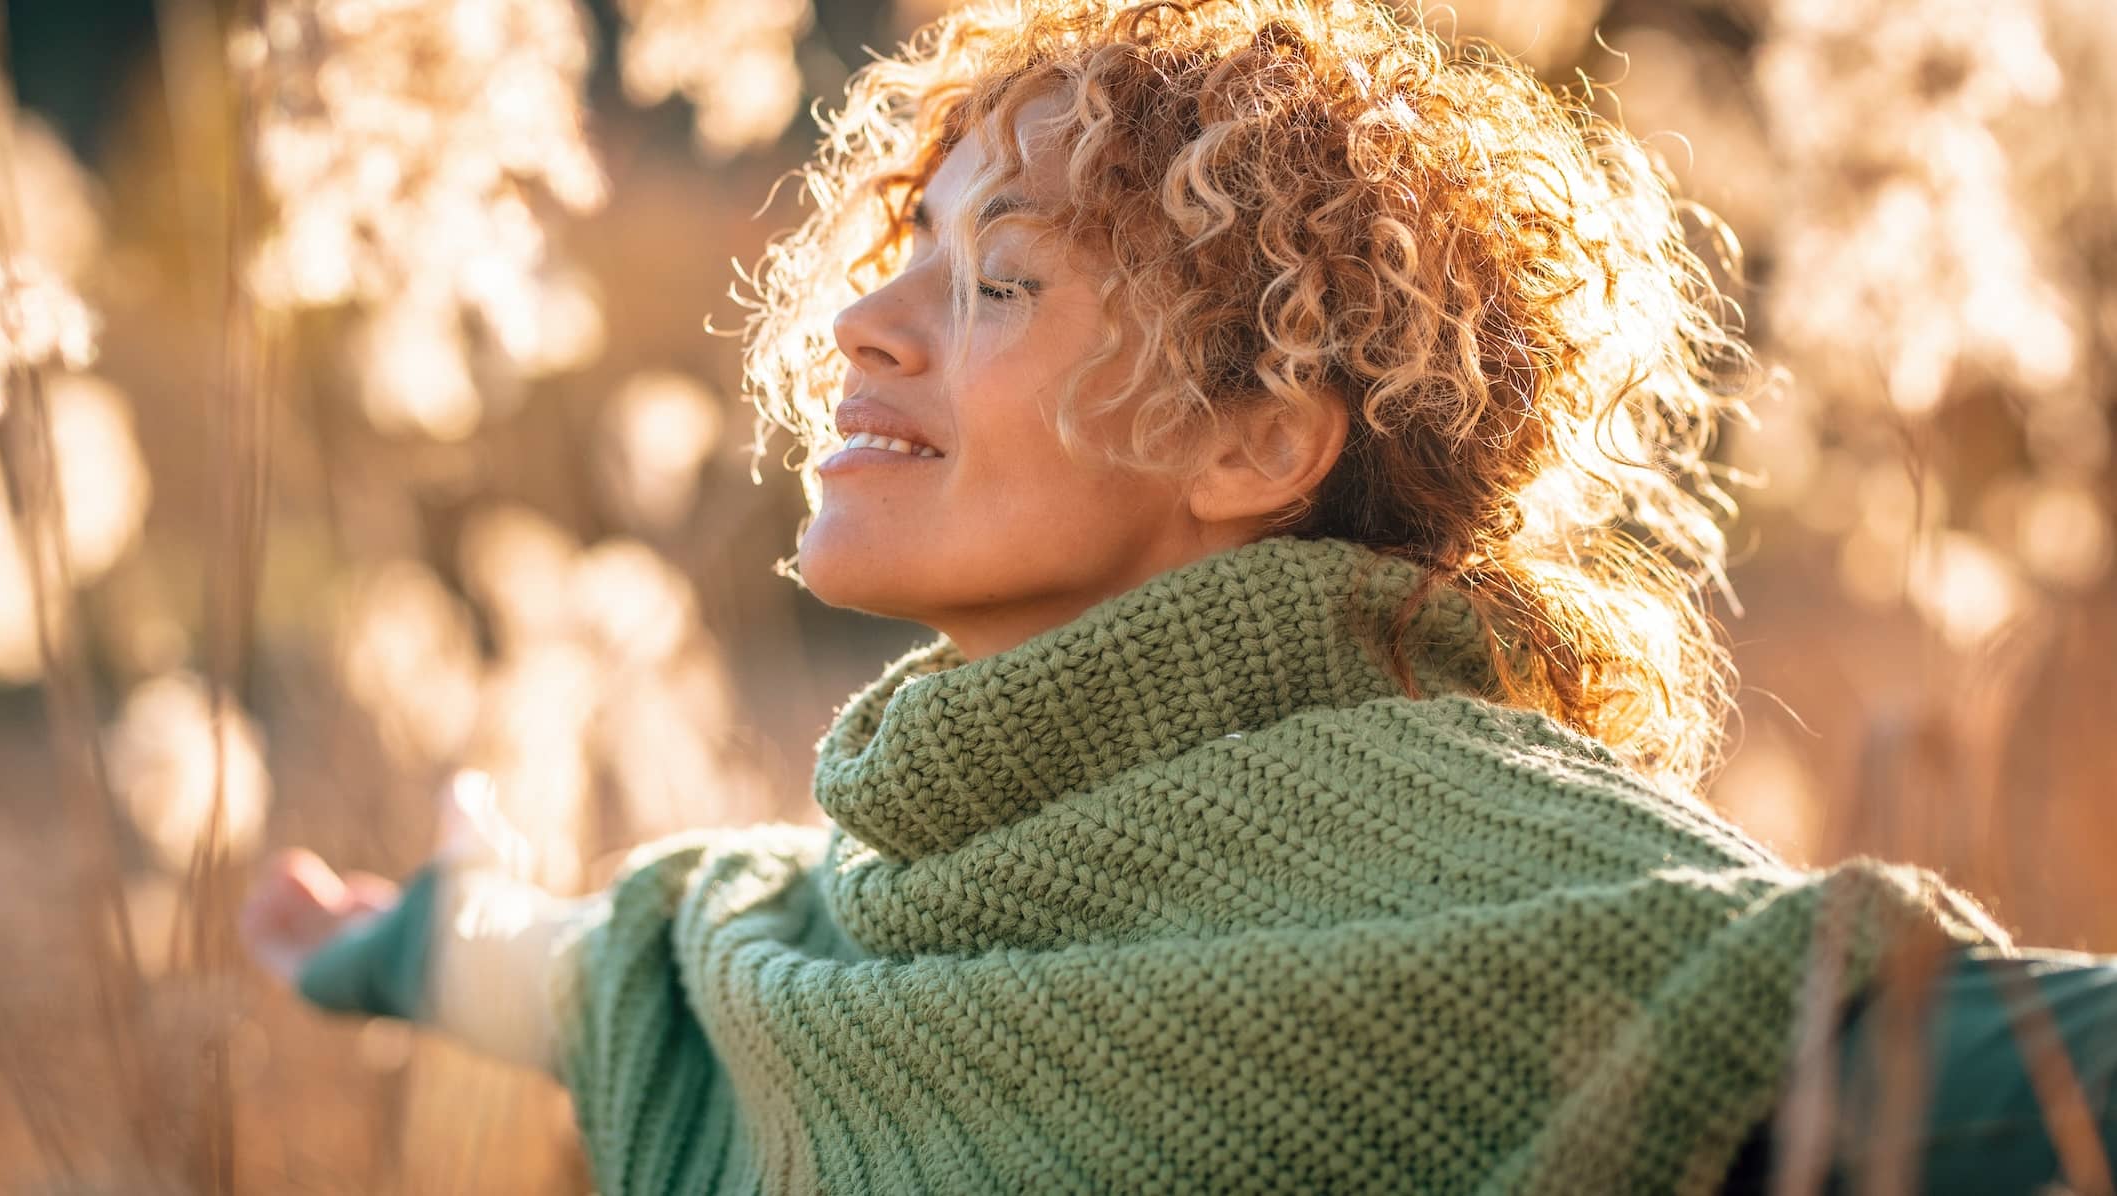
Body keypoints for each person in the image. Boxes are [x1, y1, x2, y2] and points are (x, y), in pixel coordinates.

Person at [240, 0, 2116, 1190]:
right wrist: (401, 946)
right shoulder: (833, 927)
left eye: (997, 282)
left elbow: (1933, 1058)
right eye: (903, 260)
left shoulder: (1484, 859)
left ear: (1251, 445)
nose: (860, 327)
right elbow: (610, 978)